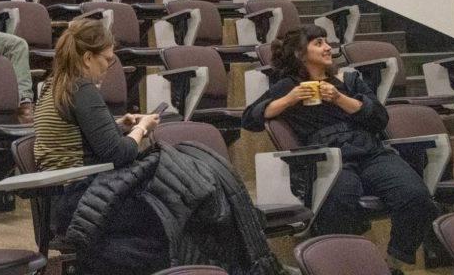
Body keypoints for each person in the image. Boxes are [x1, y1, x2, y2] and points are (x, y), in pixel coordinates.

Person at [38, 19, 284, 275]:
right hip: (85, 198)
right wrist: (141, 128)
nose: (108, 67)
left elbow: (75, 135)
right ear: (88, 57)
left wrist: (117, 124)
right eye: (107, 59)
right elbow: (119, 154)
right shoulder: (83, 88)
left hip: (67, 197)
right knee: (185, 206)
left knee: (183, 197)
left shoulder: (53, 86)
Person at [243, 24, 438, 271]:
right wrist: (289, 99)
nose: (327, 47)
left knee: (415, 196)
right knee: (340, 201)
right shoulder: (288, 86)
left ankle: (393, 262)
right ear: (300, 54)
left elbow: (380, 118)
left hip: (370, 151)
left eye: (326, 41)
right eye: (318, 43)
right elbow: (250, 119)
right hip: (330, 158)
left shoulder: (350, 79)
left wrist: (339, 98)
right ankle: (345, 265)